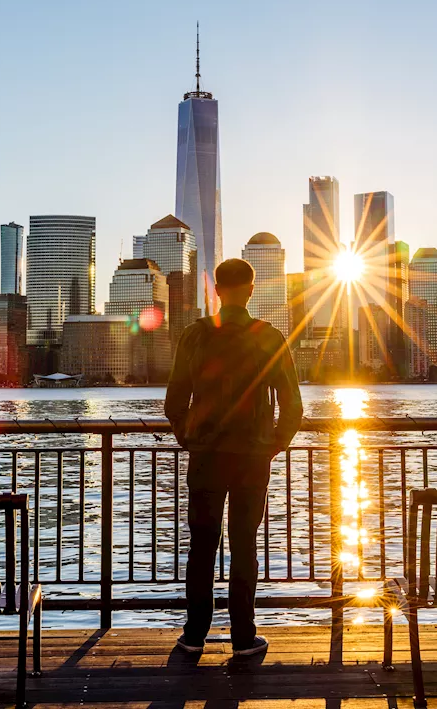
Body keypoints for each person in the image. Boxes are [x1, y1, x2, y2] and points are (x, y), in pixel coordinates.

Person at [165, 257, 303, 656]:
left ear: (217, 290)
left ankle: (194, 635)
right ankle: (243, 635)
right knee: (244, 544)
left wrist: (188, 437)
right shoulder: (269, 336)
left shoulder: (194, 335)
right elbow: (292, 403)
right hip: (252, 457)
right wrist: (276, 443)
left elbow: (175, 401)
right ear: (251, 289)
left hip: (206, 456)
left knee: (202, 544)